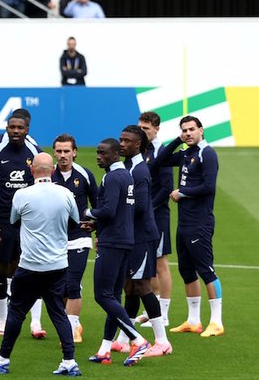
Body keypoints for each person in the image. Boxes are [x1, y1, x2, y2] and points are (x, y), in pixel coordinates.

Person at [0, 153, 82, 377]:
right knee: (58, 313)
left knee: (16, 311)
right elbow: (75, 220)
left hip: (30, 265)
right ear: (53, 170)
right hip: (57, 265)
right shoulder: (65, 193)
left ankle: (3, 358)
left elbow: (14, 221)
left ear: (32, 171)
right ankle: (69, 361)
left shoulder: (21, 195)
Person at [153, 116, 224, 337]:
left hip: (200, 222)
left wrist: (181, 192)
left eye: (192, 129)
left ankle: (216, 321)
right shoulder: (186, 153)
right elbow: (161, 161)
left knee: (206, 269)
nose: (188, 133)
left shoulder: (207, 153)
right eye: (184, 130)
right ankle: (193, 320)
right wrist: (177, 139)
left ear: (201, 130)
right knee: (186, 270)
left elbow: (209, 186)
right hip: (184, 222)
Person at [83, 139, 150, 366]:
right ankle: (104, 350)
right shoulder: (126, 176)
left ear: (114, 155)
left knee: (102, 296)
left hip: (112, 242)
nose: (98, 157)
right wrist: (96, 226)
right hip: (126, 240)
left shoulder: (112, 177)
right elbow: (121, 211)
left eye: (102, 154)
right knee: (113, 296)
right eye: (97, 153)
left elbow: (108, 210)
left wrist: (88, 212)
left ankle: (137, 339)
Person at [0, 113, 41, 337]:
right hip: (3, 221)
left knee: (32, 268)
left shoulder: (35, 152)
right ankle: (4, 320)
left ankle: (35, 322)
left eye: (20, 128)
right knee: (1, 268)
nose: (15, 131)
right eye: (12, 127)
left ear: (27, 129)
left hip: (28, 221)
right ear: (7, 128)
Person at [115, 126, 172, 356]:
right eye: (120, 139)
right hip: (132, 235)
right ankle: (123, 339)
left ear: (138, 144)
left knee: (142, 285)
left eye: (126, 141)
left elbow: (138, 206)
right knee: (129, 287)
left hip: (142, 237)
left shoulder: (140, 171)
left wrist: (113, 217)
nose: (121, 144)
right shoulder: (128, 166)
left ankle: (162, 341)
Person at [51, 134, 97, 344]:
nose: (63, 155)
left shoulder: (84, 175)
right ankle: (73, 324)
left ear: (74, 152)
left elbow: (98, 204)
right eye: (59, 151)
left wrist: (97, 229)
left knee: (72, 284)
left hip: (79, 237)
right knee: (58, 288)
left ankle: (69, 332)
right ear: (54, 152)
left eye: (66, 151)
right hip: (54, 240)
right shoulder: (48, 175)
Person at [137, 111, 175, 327]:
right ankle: (153, 309)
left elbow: (167, 187)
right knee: (148, 262)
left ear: (156, 129)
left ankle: (164, 314)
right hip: (143, 215)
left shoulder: (161, 151)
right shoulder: (140, 150)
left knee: (160, 263)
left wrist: (147, 209)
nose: (142, 132)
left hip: (157, 215)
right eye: (140, 128)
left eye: (146, 129)